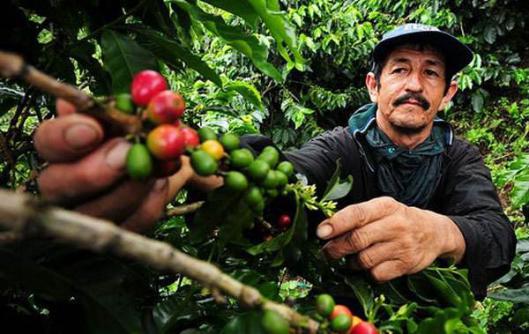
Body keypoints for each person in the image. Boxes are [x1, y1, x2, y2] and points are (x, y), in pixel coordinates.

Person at [33, 24, 515, 299]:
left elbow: (497, 237)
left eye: (430, 73)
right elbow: (288, 172)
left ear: (449, 93)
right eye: (400, 70)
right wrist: (208, 167)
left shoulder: (459, 157)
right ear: (374, 86)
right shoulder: (343, 147)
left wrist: (439, 232)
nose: (414, 84)